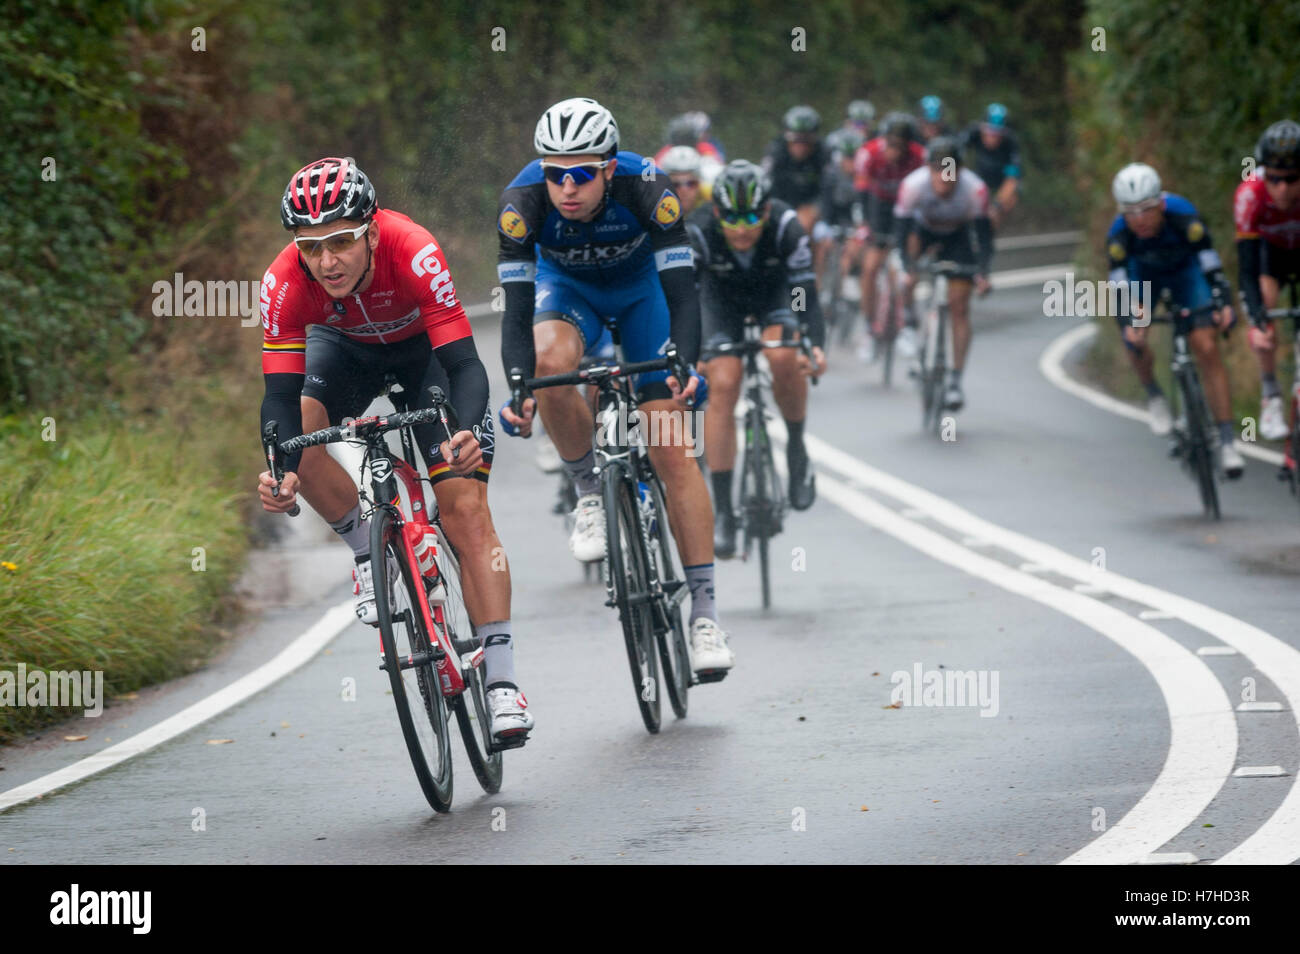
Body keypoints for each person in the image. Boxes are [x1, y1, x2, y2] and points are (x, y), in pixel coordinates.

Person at [256, 157, 533, 743]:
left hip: (421, 352)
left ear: (372, 230)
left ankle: (503, 683)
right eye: (311, 246)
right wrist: (279, 471)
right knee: (300, 436)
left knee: (465, 511)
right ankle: (367, 549)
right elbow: (278, 396)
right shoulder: (282, 282)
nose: (326, 261)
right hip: (344, 352)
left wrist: (462, 430)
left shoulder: (414, 250)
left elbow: (464, 365)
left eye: (340, 241)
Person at [495, 97, 734, 679]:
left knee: (670, 444)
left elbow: (683, 292)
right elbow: (517, 312)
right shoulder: (521, 205)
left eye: (581, 173)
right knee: (550, 367)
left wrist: (685, 362)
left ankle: (704, 615)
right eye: (556, 173)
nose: (567, 187)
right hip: (567, 291)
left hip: (643, 292)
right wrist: (520, 385)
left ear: (608, 168)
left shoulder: (650, 189)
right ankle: (589, 494)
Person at [687, 160, 828, 557]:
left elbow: (804, 293)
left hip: (775, 296)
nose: (743, 226)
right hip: (719, 304)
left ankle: (797, 450)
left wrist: (813, 343)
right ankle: (726, 513)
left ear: (767, 211)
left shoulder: (787, 228)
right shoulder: (696, 230)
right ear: (717, 213)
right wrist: (691, 354)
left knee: (784, 355)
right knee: (724, 382)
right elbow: (686, 301)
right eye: (732, 218)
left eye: (752, 216)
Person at [1107, 162, 1244, 477]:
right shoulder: (1118, 234)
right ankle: (1155, 395)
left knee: (1206, 346)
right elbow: (1118, 285)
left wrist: (1222, 304)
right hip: (1145, 278)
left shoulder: (1183, 214)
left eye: (1146, 209)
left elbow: (1211, 264)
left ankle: (1227, 443)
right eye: (1130, 212)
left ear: (1160, 204)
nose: (1139, 219)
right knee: (1133, 335)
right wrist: (1131, 322)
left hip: (1187, 274)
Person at [894, 136, 993, 411]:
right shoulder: (913, 186)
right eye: (938, 172)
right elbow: (901, 230)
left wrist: (983, 273)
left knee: (959, 306)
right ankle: (910, 325)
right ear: (928, 169)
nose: (944, 180)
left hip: (957, 239)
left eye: (950, 173)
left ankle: (954, 380)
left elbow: (984, 237)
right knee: (905, 274)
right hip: (921, 233)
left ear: (960, 171)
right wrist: (907, 267)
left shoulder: (976, 190)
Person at [1236, 119, 1300, 443]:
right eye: (1274, 178)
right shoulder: (1250, 194)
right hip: (1269, 257)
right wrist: (1257, 319)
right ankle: (1270, 395)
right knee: (1264, 315)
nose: (1283, 189)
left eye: (1292, 179)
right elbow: (1245, 270)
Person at [853, 112, 926, 359]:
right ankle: (869, 329)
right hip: (879, 208)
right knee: (871, 267)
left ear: (908, 145)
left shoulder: (919, 157)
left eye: (899, 146)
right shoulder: (869, 153)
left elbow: (928, 193)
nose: (892, 151)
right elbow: (862, 192)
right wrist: (864, 224)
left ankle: (907, 320)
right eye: (889, 144)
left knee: (905, 267)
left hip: (908, 210)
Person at [762, 105, 829, 237]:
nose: (801, 147)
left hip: (810, 207)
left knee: (813, 230)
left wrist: (816, 209)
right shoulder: (775, 153)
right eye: (796, 141)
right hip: (778, 203)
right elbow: (765, 185)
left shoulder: (823, 154)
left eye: (805, 142)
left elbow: (828, 189)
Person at [962, 103, 1021, 229]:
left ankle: (992, 232)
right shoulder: (973, 132)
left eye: (997, 133)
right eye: (989, 131)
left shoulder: (1010, 142)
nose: (992, 138)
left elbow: (1012, 180)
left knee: (1010, 199)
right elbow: (952, 156)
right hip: (978, 178)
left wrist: (996, 206)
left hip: (1000, 182)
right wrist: (949, 182)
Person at [658, 145, 710, 215]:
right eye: (675, 184)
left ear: (700, 184)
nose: (684, 190)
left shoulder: (712, 196)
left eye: (691, 183)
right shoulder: (655, 199)